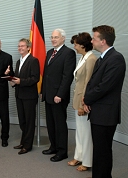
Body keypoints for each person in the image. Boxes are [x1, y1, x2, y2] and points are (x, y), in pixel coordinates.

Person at [83, 25, 126, 178]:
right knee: (99, 151)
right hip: (98, 112)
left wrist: (86, 98)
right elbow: (93, 82)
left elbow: (104, 87)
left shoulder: (116, 59)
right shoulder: (103, 58)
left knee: (102, 152)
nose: (92, 41)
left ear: (103, 41)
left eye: (94, 38)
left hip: (106, 114)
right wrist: (87, 99)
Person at [41, 28, 76, 162]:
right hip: (48, 94)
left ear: (63, 38)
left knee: (60, 124)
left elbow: (67, 77)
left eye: (56, 37)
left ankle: (62, 152)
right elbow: (46, 75)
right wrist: (42, 92)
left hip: (58, 96)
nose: (53, 39)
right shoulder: (50, 52)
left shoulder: (69, 53)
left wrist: (60, 94)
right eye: (52, 37)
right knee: (50, 123)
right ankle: (53, 146)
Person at [67, 32, 97, 171]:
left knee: (85, 134)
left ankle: (87, 161)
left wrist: (82, 105)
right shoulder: (83, 57)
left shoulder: (91, 59)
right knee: (79, 132)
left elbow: (88, 83)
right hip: (77, 98)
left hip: (83, 102)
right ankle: (78, 156)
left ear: (83, 46)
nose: (74, 46)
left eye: (76, 44)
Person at [11, 38, 40, 154]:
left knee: (29, 121)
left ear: (29, 47)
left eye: (22, 46)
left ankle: (28, 145)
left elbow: (35, 78)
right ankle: (23, 141)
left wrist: (20, 81)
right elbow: (18, 77)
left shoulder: (33, 60)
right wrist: (12, 79)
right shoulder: (19, 61)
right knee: (22, 120)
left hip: (29, 96)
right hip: (19, 95)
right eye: (19, 46)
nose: (20, 48)